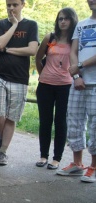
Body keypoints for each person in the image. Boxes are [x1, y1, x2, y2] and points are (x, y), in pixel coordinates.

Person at [0, 0, 38, 165]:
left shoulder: (31, 25)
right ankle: (3, 138)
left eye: (14, 4)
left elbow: (32, 50)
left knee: (12, 116)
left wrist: (8, 50)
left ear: (23, 5)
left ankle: (3, 152)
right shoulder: (0, 23)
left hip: (19, 77)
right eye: (8, 5)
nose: (11, 8)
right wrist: (14, 25)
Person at [56, 0, 96, 183]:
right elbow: (73, 50)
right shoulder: (81, 24)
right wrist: (77, 74)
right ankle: (77, 164)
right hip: (79, 81)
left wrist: (79, 65)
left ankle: (93, 166)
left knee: (95, 126)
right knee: (73, 121)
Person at [34, 8, 78, 170]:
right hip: (45, 85)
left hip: (65, 86)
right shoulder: (50, 37)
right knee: (45, 121)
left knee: (61, 122)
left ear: (73, 20)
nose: (63, 22)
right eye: (60, 19)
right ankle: (43, 155)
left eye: (66, 19)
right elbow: (38, 58)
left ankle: (56, 158)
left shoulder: (75, 41)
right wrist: (42, 74)